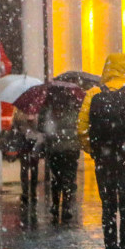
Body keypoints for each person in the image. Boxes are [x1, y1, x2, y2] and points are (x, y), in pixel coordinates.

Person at [78, 53, 125, 249]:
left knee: (108, 206)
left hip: (104, 159)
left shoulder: (93, 93)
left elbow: (82, 129)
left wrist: (94, 151)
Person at [39, 85, 83, 224]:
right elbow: (80, 126)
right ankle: (66, 207)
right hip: (71, 149)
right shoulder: (75, 111)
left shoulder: (49, 110)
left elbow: (42, 128)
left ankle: (56, 204)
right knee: (69, 177)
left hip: (55, 149)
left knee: (56, 178)